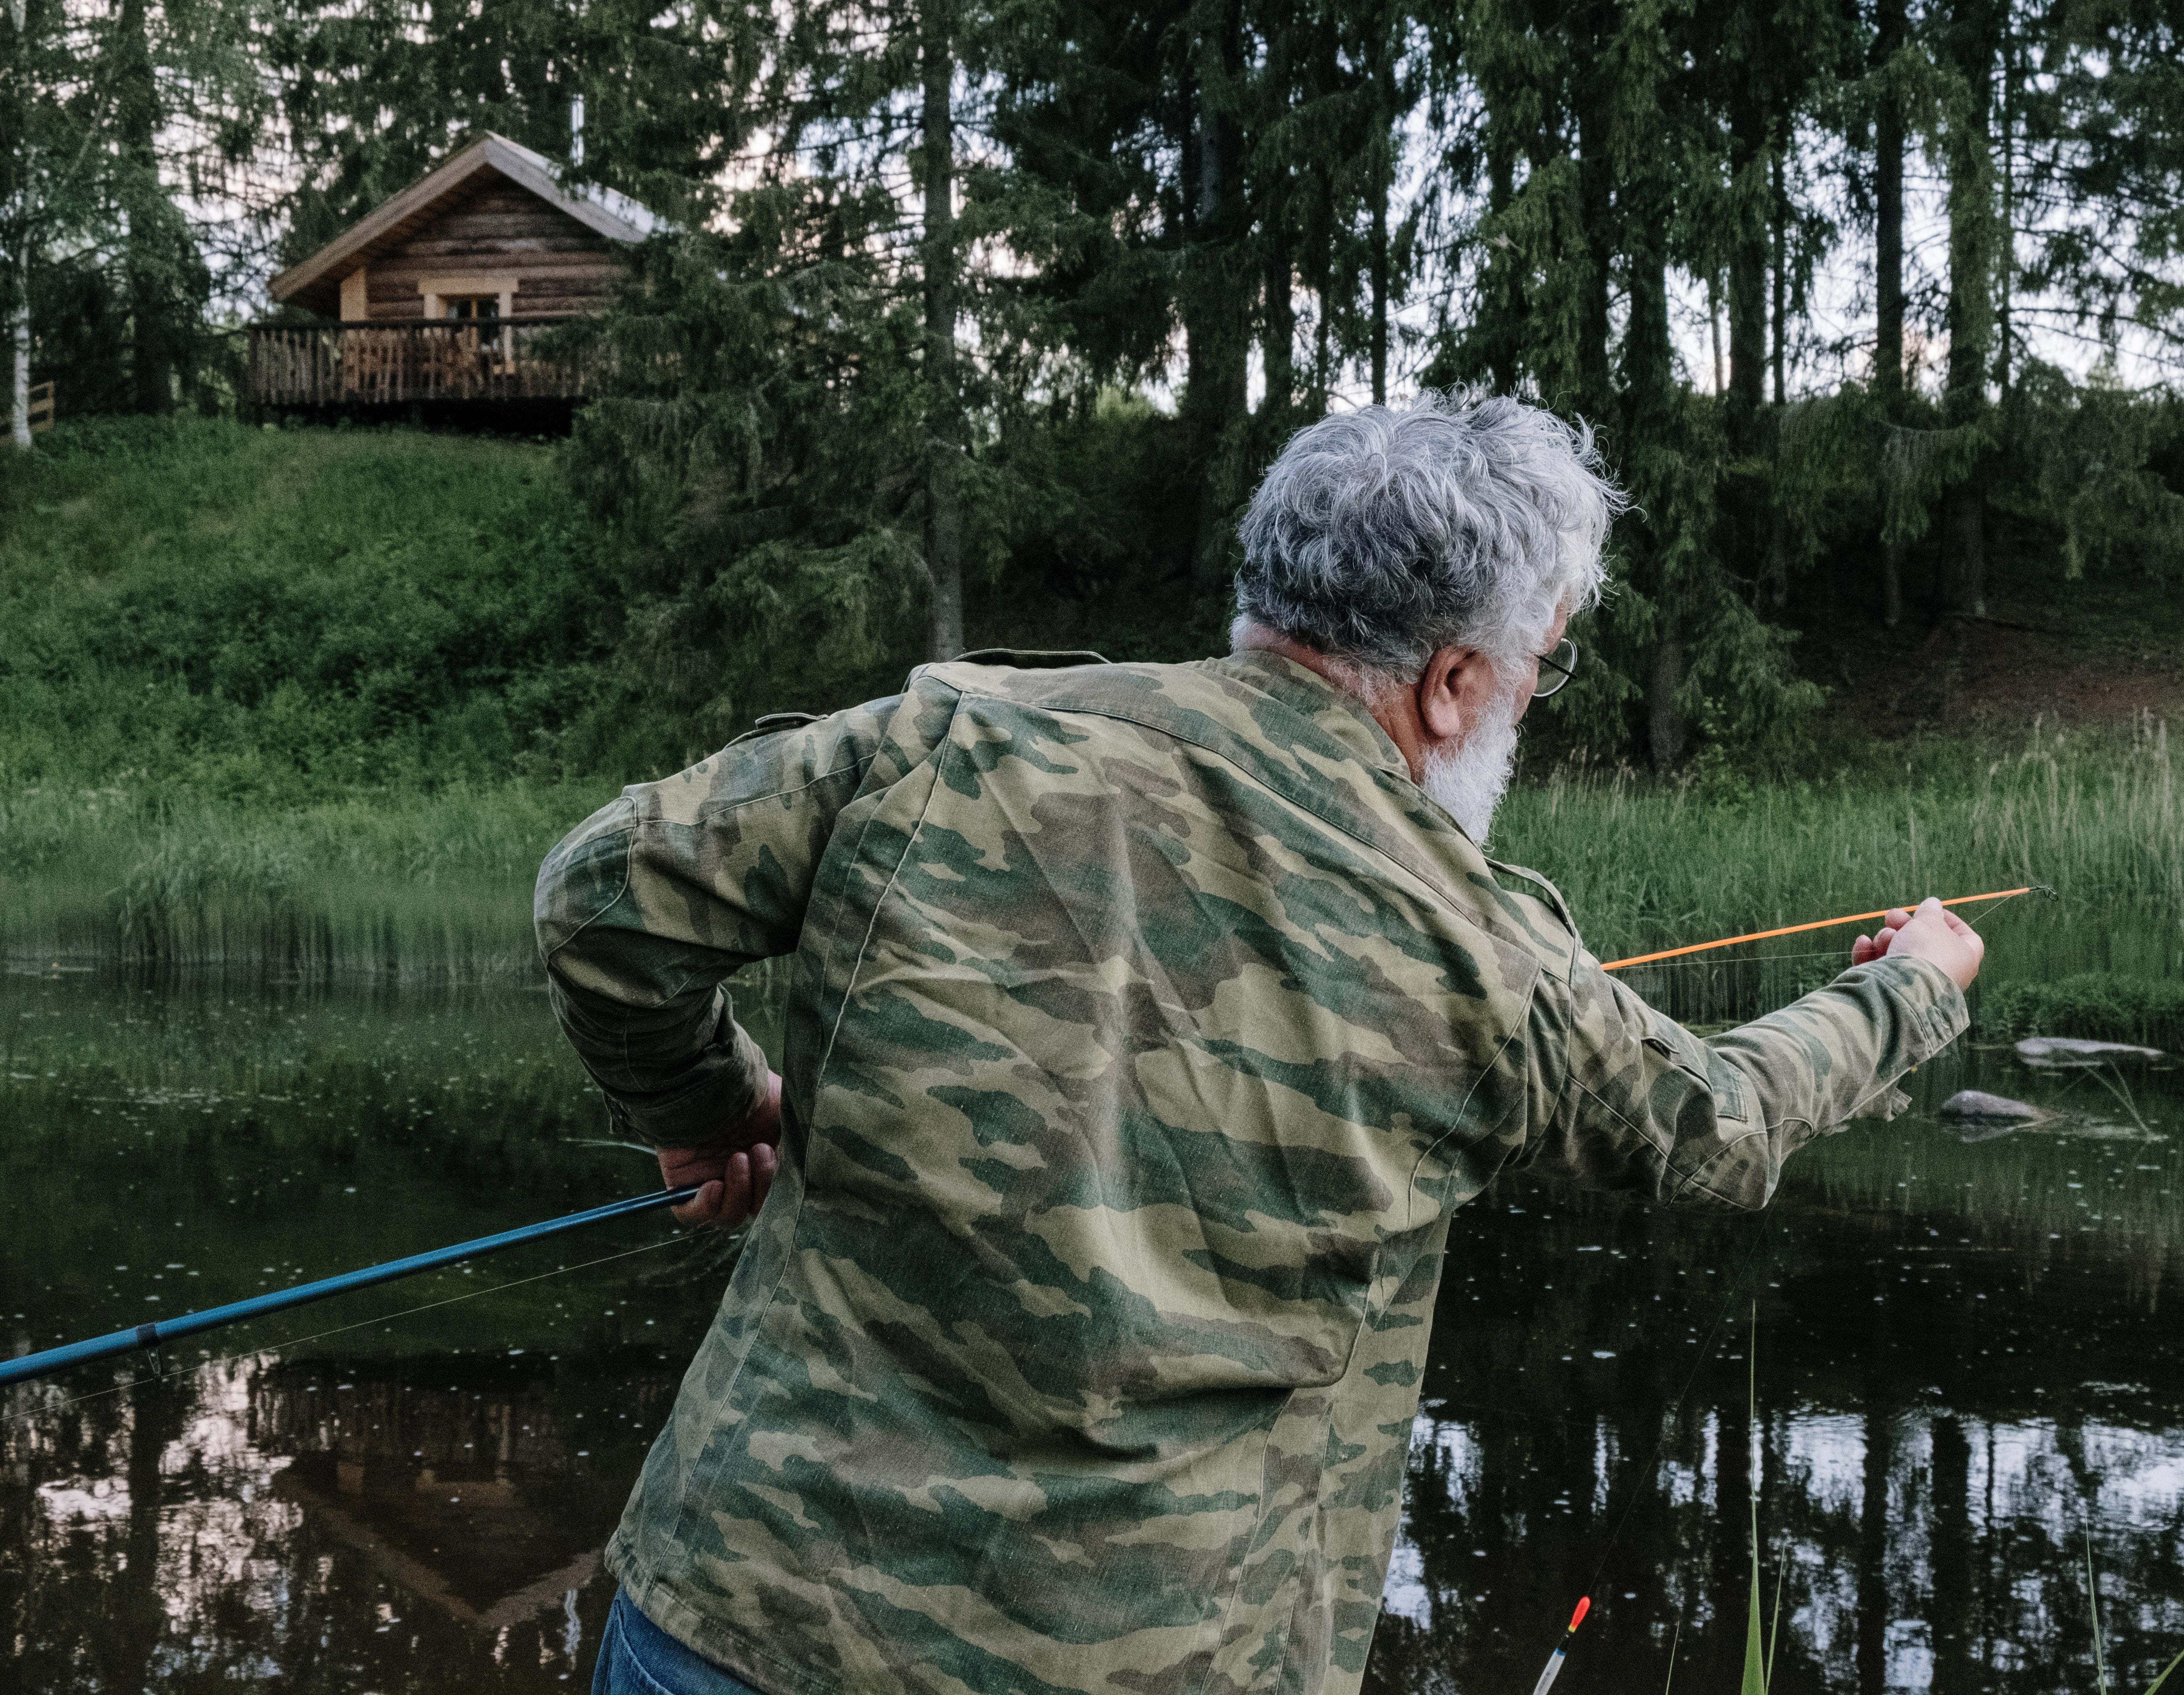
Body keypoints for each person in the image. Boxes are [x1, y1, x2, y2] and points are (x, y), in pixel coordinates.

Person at [536, 395, 1983, 1695]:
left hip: (742, 1619)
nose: (1533, 696)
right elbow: (1717, 1119)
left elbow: (601, 902)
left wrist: (708, 1105)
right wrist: (1911, 989)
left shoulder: (948, 739)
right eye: (1541, 663)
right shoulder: (1485, 945)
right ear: (1454, 684)